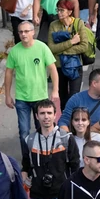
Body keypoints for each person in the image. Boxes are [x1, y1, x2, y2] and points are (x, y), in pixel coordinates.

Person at [23, 99, 80, 199]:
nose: (46, 116)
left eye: (49, 113)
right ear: (36, 116)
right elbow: (26, 165)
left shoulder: (66, 138)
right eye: (42, 113)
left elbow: (75, 167)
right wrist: (25, 177)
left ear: (55, 115)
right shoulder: (29, 140)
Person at [5, 20, 59, 160]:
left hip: (40, 97)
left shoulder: (42, 48)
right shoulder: (15, 51)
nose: (23, 34)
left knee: (42, 129)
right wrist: (7, 95)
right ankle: (27, 160)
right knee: (24, 132)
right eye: (21, 32)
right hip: (22, 98)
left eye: (26, 31)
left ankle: (44, 156)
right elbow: (9, 73)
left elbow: (53, 69)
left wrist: (55, 90)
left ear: (33, 32)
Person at [58, 69, 100, 133]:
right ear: (94, 83)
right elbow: (63, 122)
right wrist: (69, 137)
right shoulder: (76, 100)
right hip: (79, 138)